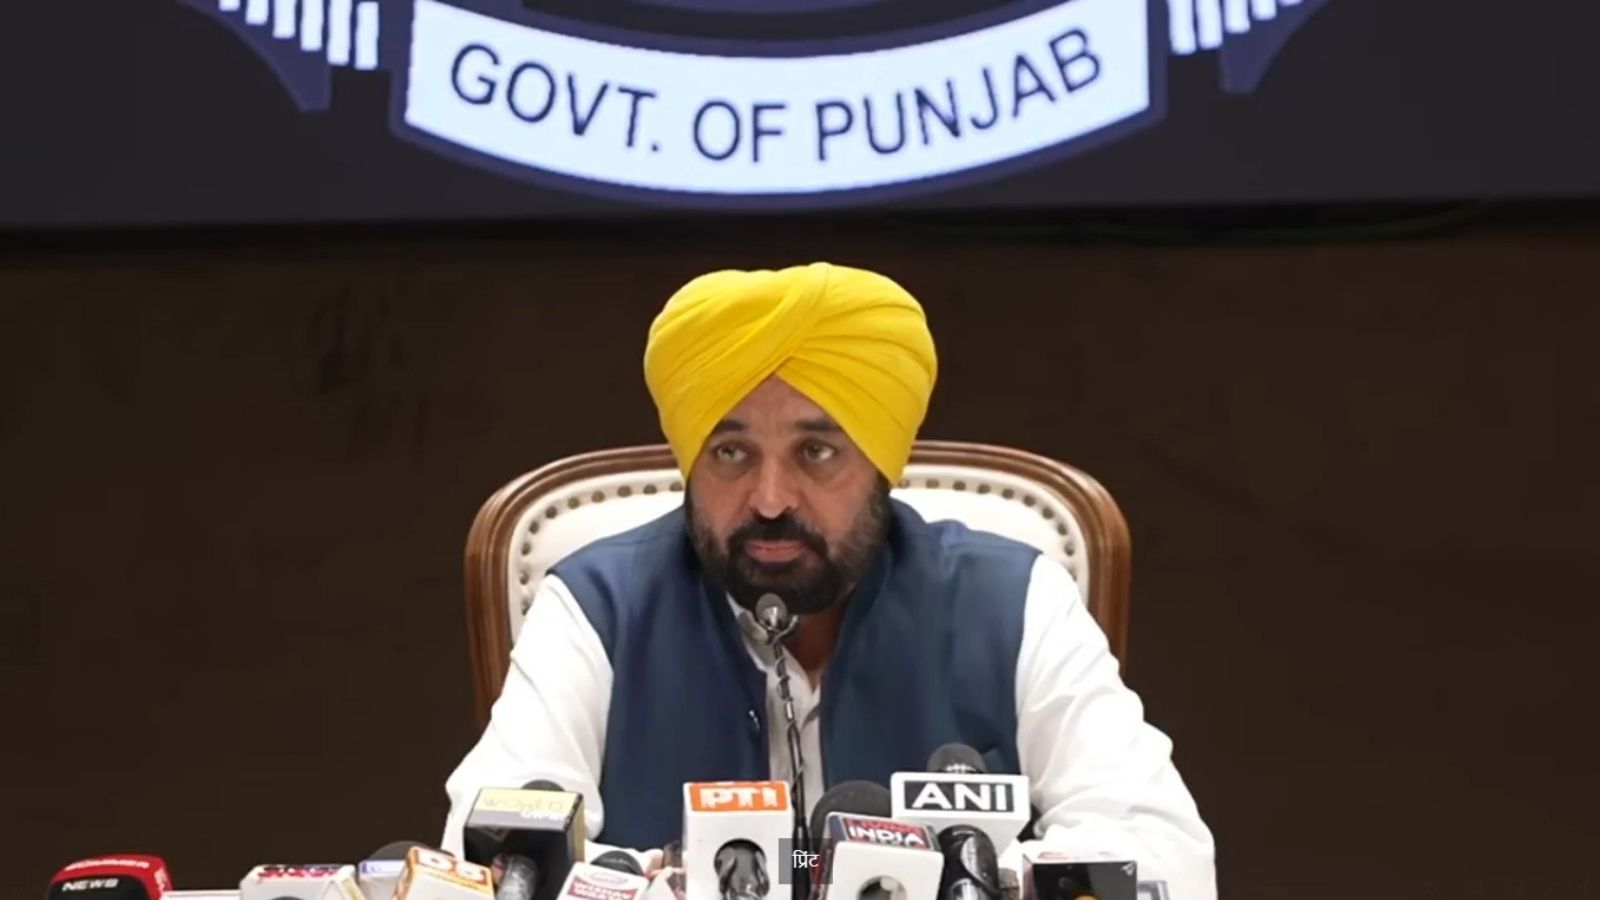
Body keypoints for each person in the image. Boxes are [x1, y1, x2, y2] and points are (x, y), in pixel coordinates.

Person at [441, 262, 1216, 898]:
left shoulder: (1012, 603)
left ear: (881, 463)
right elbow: (488, 860)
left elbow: (1165, 860)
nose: (771, 499)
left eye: (816, 453)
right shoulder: (598, 608)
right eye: (730, 453)